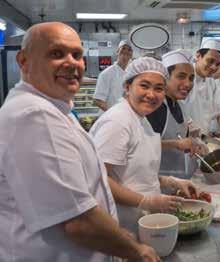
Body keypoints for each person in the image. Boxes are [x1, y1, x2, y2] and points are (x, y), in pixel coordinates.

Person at [0, 22, 159, 262]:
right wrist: (134, 250)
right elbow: (78, 222)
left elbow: (87, 191)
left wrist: (117, 237)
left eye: (77, 55)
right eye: (56, 53)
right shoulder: (35, 116)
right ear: (23, 61)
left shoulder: (56, 110)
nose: (72, 63)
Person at [90, 57, 197, 233]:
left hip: (141, 222)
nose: (152, 94)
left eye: (159, 88)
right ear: (127, 87)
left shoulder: (140, 118)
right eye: (144, 86)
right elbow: (100, 180)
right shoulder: (117, 121)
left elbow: (135, 174)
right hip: (119, 224)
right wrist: (145, 201)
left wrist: (171, 181)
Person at [146, 49, 208, 179]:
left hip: (178, 181)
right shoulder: (156, 107)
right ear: (165, 78)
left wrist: (195, 144)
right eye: (181, 76)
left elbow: (180, 138)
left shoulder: (180, 105)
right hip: (156, 184)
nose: (188, 84)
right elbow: (141, 146)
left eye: (191, 78)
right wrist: (176, 144)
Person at [183, 39, 220, 143]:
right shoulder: (185, 79)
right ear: (198, 56)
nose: (213, 67)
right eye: (210, 61)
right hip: (183, 140)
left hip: (202, 139)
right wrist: (187, 124)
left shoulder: (212, 83)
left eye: (218, 64)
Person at [94, 40, 133, 111]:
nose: (126, 51)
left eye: (129, 49)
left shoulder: (132, 74)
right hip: (110, 117)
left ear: (131, 54)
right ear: (117, 51)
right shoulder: (106, 74)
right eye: (123, 48)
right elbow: (98, 100)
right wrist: (113, 114)